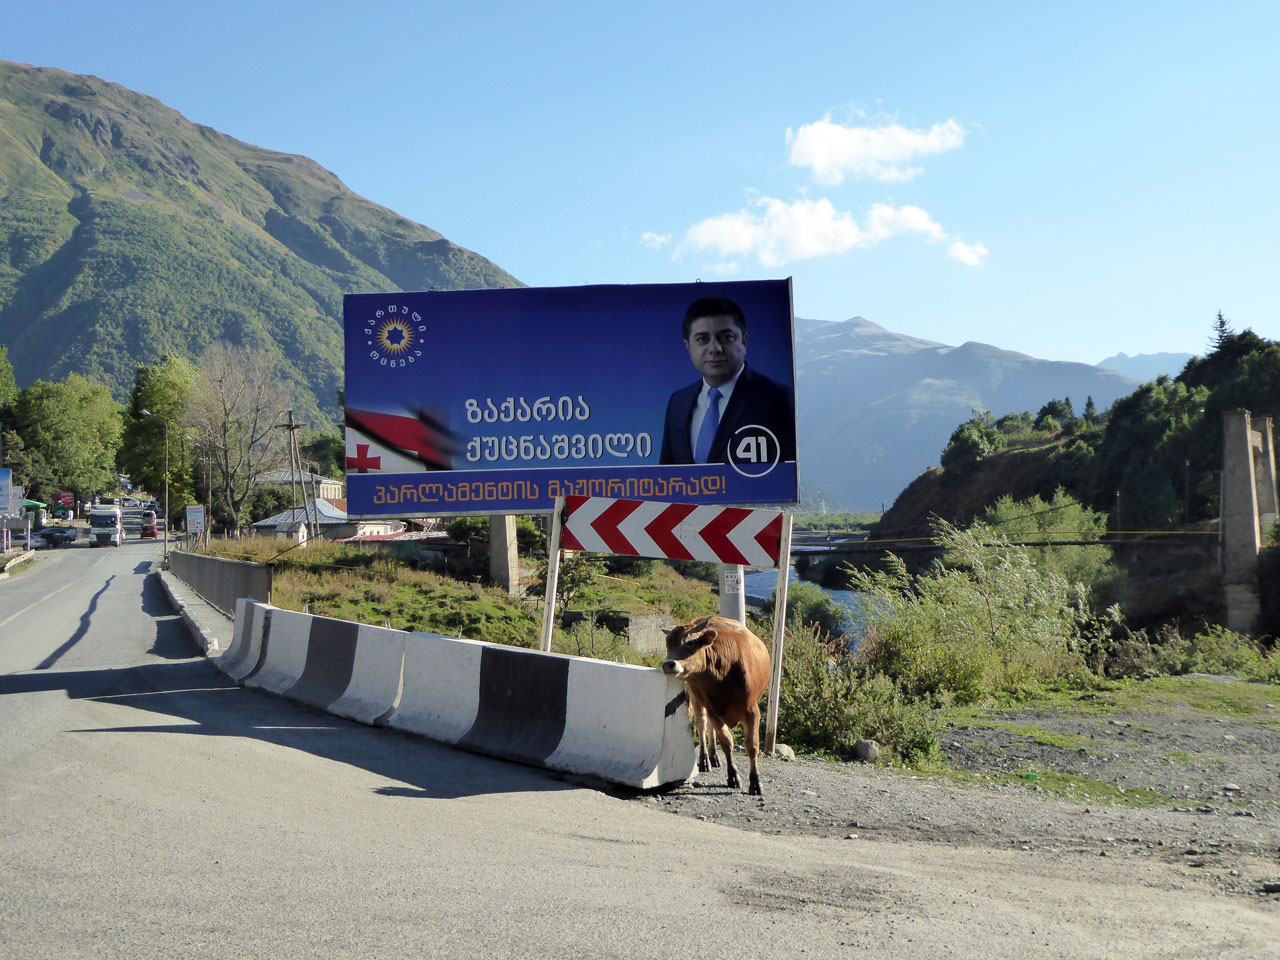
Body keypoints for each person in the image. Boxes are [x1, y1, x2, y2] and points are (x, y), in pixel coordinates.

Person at [659, 296, 796, 466]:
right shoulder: (678, 402)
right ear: (688, 346)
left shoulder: (779, 399)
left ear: (744, 341)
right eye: (702, 339)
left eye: (726, 337)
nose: (715, 348)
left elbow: (788, 474)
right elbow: (666, 477)